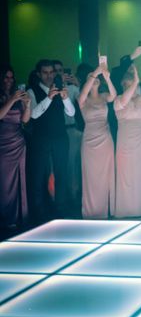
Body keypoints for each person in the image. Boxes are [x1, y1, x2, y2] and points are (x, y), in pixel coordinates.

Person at [27, 59, 76, 223]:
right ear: (39, 74)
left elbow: (71, 112)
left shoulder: (61, 89)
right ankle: (39, 214)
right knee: (39, 175)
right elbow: (33, 114)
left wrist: (65, 98)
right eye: (45, 73)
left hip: (60, 137)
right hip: (41, 139)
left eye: (51, 72)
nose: (49, 76)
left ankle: (60, 209)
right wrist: (48, 98)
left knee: (62, 173)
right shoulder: (31, 91)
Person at [114, 66, 141, 218]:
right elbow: (126, 100)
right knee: (127, 174)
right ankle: (127, 208)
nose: (130, 87)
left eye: (132, 84)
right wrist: (135, 81)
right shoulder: (119, 100)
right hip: (126, 142)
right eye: (126, 84)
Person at [78, 64, 116, 219]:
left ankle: (106, 209)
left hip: (105, 138)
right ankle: (91, 210)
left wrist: (106, 77)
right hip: (89, 141)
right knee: (90, 176)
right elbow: (83, 93)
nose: (94, 80)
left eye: (96, 78)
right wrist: (95, 73)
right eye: (91, 78)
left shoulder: (104, 95)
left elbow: (114, 95)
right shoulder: (82, 99)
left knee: (105, 174)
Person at [0, 66, 30, 228]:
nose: (9, 80)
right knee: (5, 184)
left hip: (18, 142)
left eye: (11, 77)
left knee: (21, 181)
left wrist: (27, 104)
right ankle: (6, 219)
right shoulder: (6, 97)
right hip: (3, 144)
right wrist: (11, 99)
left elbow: (25, 120)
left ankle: (21, 218)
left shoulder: (18, 96)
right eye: (6, 77)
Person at [53, 60, 82, 210]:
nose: (59, 73)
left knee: (76, 166)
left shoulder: (72, 88)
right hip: (59, 131)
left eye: (60, 70)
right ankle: (67, 199)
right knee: (65, 167)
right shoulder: (49, 90)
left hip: (74, 129)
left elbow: (84, 99)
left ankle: (75, 196)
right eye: (55, 70)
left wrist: (77, 84)